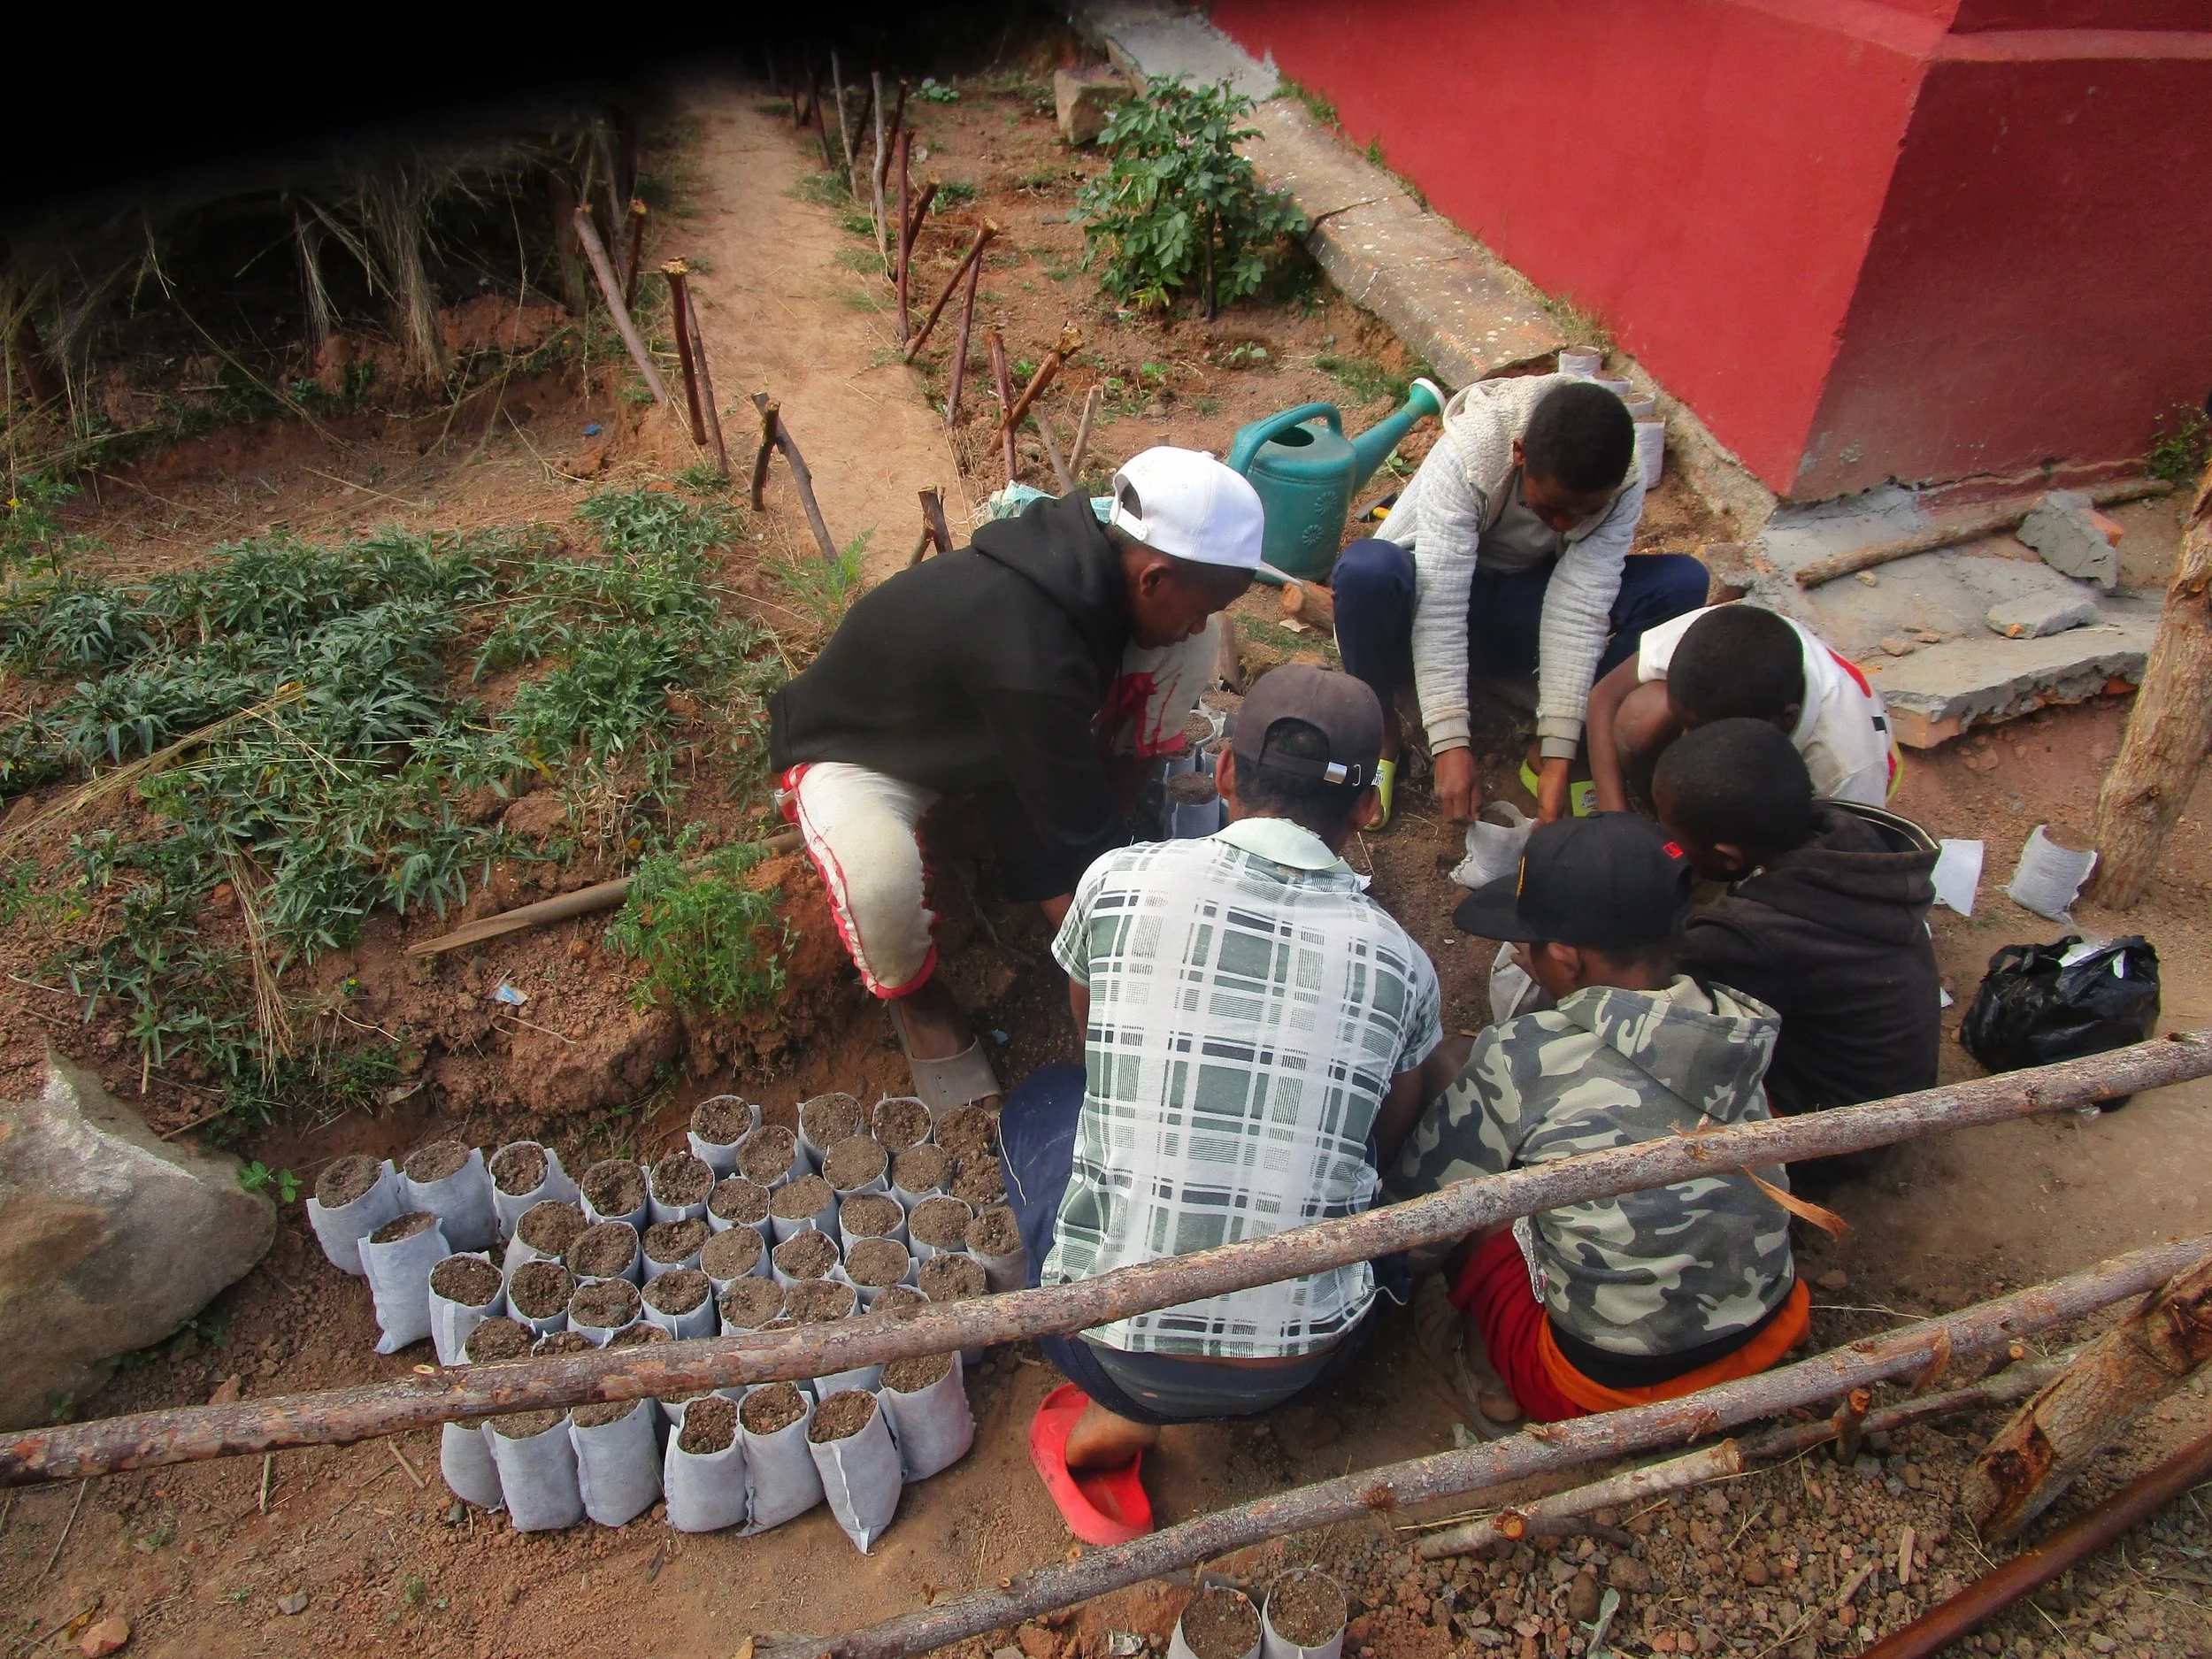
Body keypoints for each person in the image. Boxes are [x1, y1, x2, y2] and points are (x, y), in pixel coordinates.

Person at [1000, 666, 1447, 1473]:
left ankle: (1122, 1409)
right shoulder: (1404, 965)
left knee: (1048, 1101)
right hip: (1305, 1365)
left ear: (1229, 774)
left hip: (1106, 1351)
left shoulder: (1118, 880)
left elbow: (1092, 1035)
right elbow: (1390, 1125)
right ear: (1367, 806)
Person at [769, 448, 1259, 1108]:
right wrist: (1131, 972)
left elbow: (1063, 791)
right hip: (868, 750)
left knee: (1087, 847)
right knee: (879, 880)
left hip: (990, 732)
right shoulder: (1030, 650)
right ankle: (920, 999)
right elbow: (1075, 853)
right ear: (1153, 578)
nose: (1203, 625)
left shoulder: (1095, 558)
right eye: (1201, 606)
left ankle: (1094, 858)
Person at [1388, 813, 1809, 1434]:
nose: (1519, 954)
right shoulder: (1733, 1023)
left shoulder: (1524, 1055)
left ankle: (1487, 1372)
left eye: (1526, 942)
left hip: (1604, 1385)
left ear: (1565, 957)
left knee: (1472, 1166)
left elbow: (1416, 1228)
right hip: (1765, 1335)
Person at [1330, 374, 1708, 826]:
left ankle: (1549, 759)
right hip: (1419, 608)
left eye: (1584, 513)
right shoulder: (1471, 451)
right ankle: (1380, 734)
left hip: (1523, 608)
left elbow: (1579, 607)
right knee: (1365, 569)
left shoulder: (1620, 479)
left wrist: (1560, 747)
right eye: (1550, 508)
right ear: (1520, 454)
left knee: (1683, 583)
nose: (1565, 525)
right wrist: (1450, 742)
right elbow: (1440, 599)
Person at [1655, 718, 1940, 1185]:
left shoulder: (1749, 934)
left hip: (1836, 1134)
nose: (1671, 850)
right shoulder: (1845, 836)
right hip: (1894, 1088)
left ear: (1728, 857)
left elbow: (1649, 986)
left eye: (1676, 841)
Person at [1586, 600, 1898, 815]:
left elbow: (1848, 863)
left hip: (1804, 794)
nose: (1684, 742)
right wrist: (1615, 817)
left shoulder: (1845, 769)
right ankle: (1671, 820)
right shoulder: (1718, 635)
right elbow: (1605, 697)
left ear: (1783, 720)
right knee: (1640, 717)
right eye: (1684, 723)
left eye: (1705, 730)